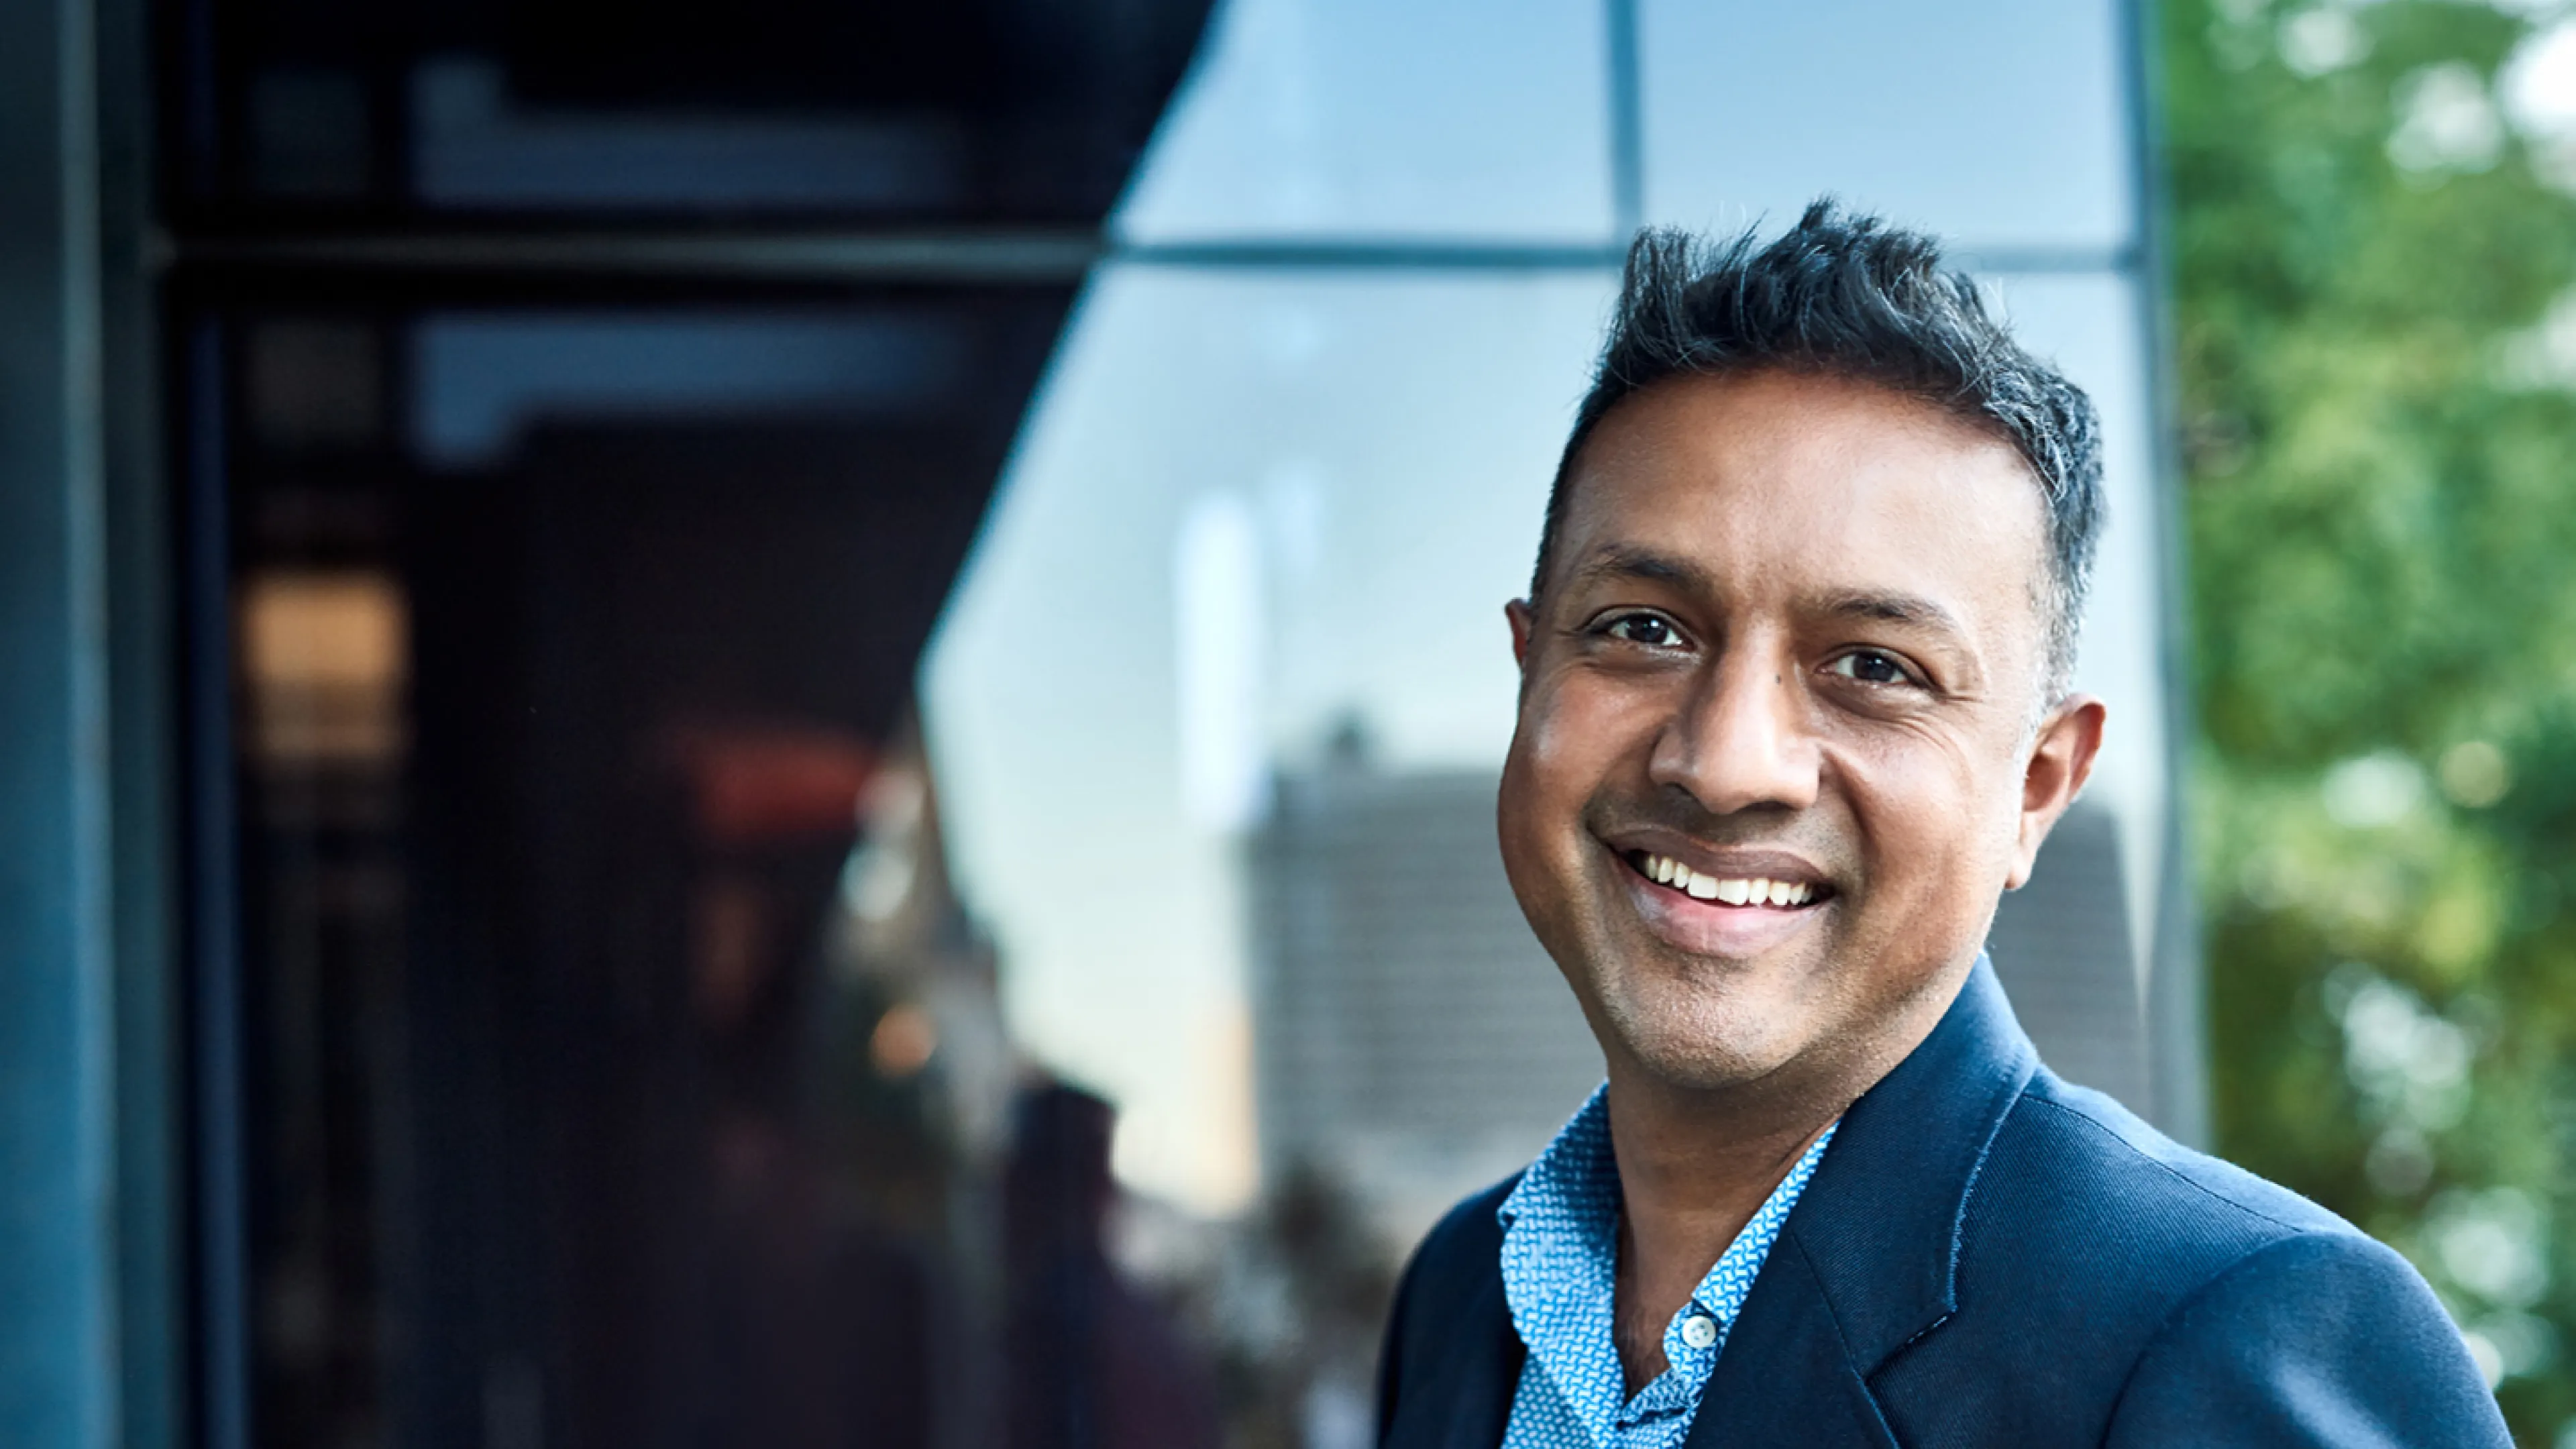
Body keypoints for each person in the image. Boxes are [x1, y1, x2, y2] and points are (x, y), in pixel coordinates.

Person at [1373, 202, 2508, 1448]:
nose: (1727, 762)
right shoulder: (1460, 1299)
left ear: (2036, 787)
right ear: (1530, 675)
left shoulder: (2232, 1332)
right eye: (1644, 629)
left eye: (1872, 666)